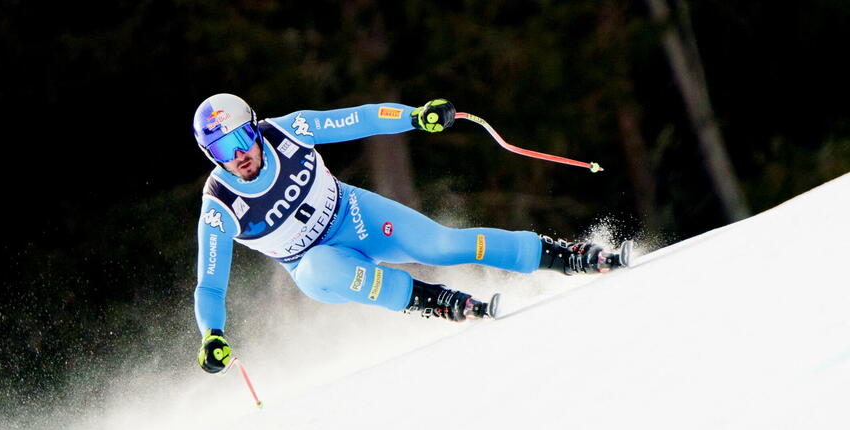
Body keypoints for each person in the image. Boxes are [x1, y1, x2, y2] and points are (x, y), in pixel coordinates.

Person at [192, 94, 627, 373]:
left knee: (444, 244)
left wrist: (415, 117)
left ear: (254, 126)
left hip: (353, 214)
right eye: (221, 151)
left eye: (242, 138)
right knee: (322, 265)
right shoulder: (220, 207)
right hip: (316, 266)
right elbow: (210, 284)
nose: (239, 155)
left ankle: (561, 255)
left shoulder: (288, 131)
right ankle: (434, 301)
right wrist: (213, 334)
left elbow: (358, 119)